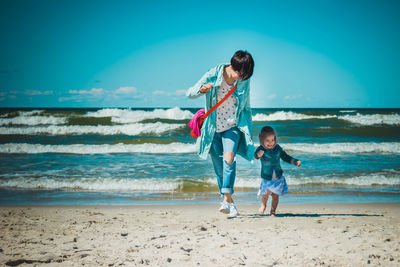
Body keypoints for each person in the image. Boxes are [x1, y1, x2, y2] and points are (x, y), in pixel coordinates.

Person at [186, 50, 255, 218]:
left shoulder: (244, 80)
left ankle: (225, 199)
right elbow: (190, 92)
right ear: (233, 67)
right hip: (212, 129)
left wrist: (248, 129)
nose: (243, 77)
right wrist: (202, 90)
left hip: (232, 126)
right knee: (219, 170)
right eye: (242, 73)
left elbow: (246, 106)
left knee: (229, 159)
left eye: (246, 75)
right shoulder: (214, 74)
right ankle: (229, 202)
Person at [254, 126, 301, 216]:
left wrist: (295, 162)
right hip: (267, 177)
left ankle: (273, 211)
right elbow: (256, 156)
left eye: (272, 140)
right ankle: (263, 205)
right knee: (265, 194)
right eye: (267, 141)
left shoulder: (278, 149)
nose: (270, 143)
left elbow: (286, 157)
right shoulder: (261, 149)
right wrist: (258, 155)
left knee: (275, 196)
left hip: (277, 177)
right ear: (261, 140)